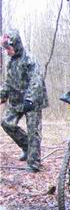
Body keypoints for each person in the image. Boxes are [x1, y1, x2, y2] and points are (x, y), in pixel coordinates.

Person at [0, 29, 48, 172]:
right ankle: (27, 147)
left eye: (8, 48)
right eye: (5, 49)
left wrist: (30, 99)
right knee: (6, 122)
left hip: (32, 102)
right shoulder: (11, 63)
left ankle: (34, 163)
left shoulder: (29, 59)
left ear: (16, 45)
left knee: (34, 131)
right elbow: (8, 83)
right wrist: (2, 95)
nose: (7, 51)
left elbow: (36, 81)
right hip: (16, 101)